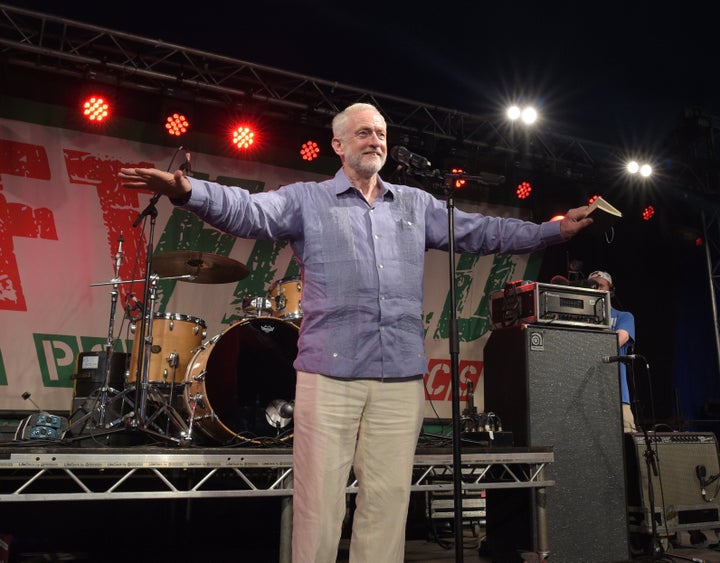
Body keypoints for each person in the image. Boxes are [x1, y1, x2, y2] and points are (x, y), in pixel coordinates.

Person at [119, 102, 593, 563]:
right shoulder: (307, 200)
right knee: (319, 506)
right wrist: (188, 193)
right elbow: (247, 211)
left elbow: (483, 232)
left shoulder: (415, 204)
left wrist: (552, 231)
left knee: (387, 506)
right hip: (330, 375)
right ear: (338, 144)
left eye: (381, 133)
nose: (375, 140)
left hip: (400, 377)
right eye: (364, 132)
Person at [588, 270, 637, 433]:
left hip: (618, 395)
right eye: (592, 286)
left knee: (627, 442)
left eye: (600, 286)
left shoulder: (624, 316)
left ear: (611, 291)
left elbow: (619, 339)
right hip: (586, 396)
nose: (596, 289)